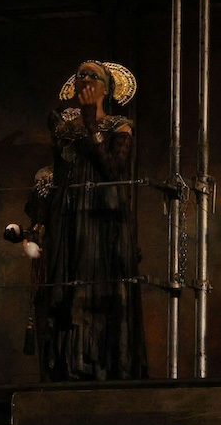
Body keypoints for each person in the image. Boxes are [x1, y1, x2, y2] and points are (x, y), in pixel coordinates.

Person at [38, 61, 145, 381]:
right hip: (69, 217)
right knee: (66, 289)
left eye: (92, 76)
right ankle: (68, 366)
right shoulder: (61, 120)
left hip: (102, 221)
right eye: (79, 74)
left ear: (107, 87)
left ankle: (101, 365)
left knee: (97, 290)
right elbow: (62, 152)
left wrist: (91, 123)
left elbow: (113, 169)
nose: (84, 79)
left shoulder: (121, 126)